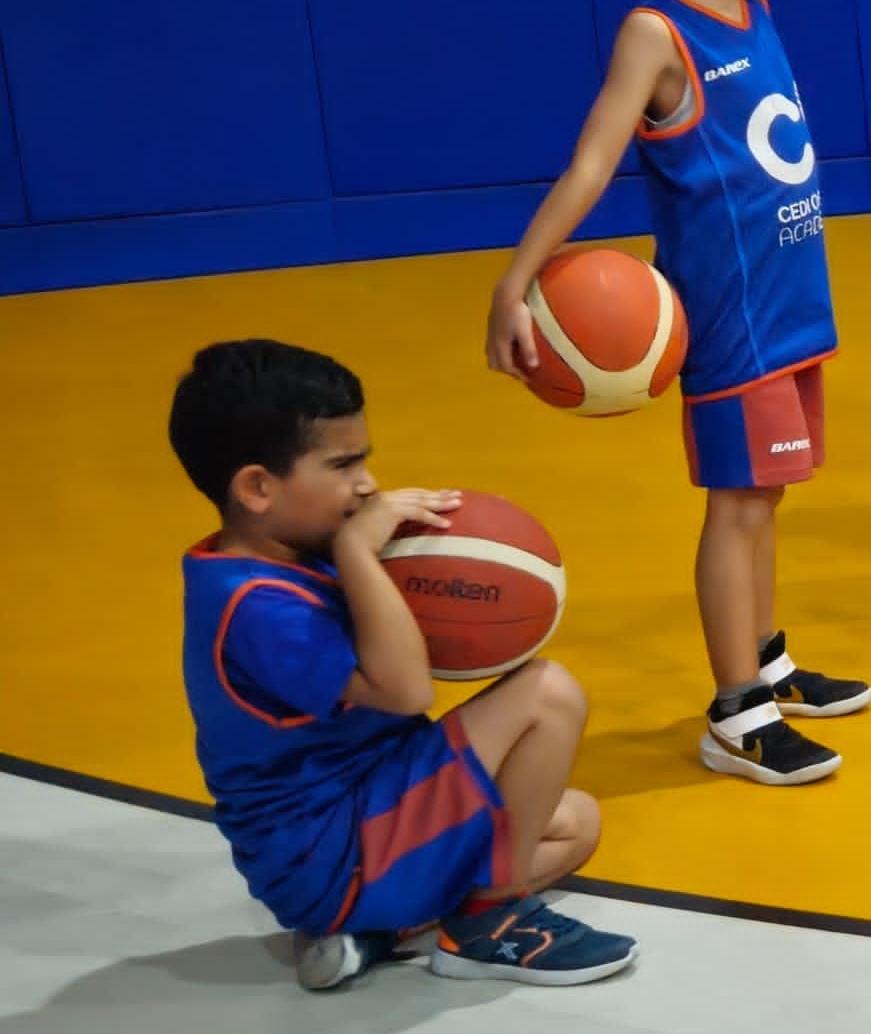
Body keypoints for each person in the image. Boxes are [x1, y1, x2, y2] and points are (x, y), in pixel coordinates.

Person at [486, 0, 867, 787]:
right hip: (731, 318)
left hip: (795, 303)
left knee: (769, 496)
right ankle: (735, 714)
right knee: (736, 507)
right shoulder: (657, 36)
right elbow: (587, 168)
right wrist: (514, 284)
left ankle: (768, 659)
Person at [172, 340, 633, 991]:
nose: (366, 484)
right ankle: (487, 926)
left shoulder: (294, 552)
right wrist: (361, 555)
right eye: (341, 464)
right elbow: (409, 690)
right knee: (548, 695)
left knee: (575, 822)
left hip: (368, 815)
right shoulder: (253, 606)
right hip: (335, 851)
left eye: (365, 459)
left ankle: (376, 934)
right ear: (256, 487)